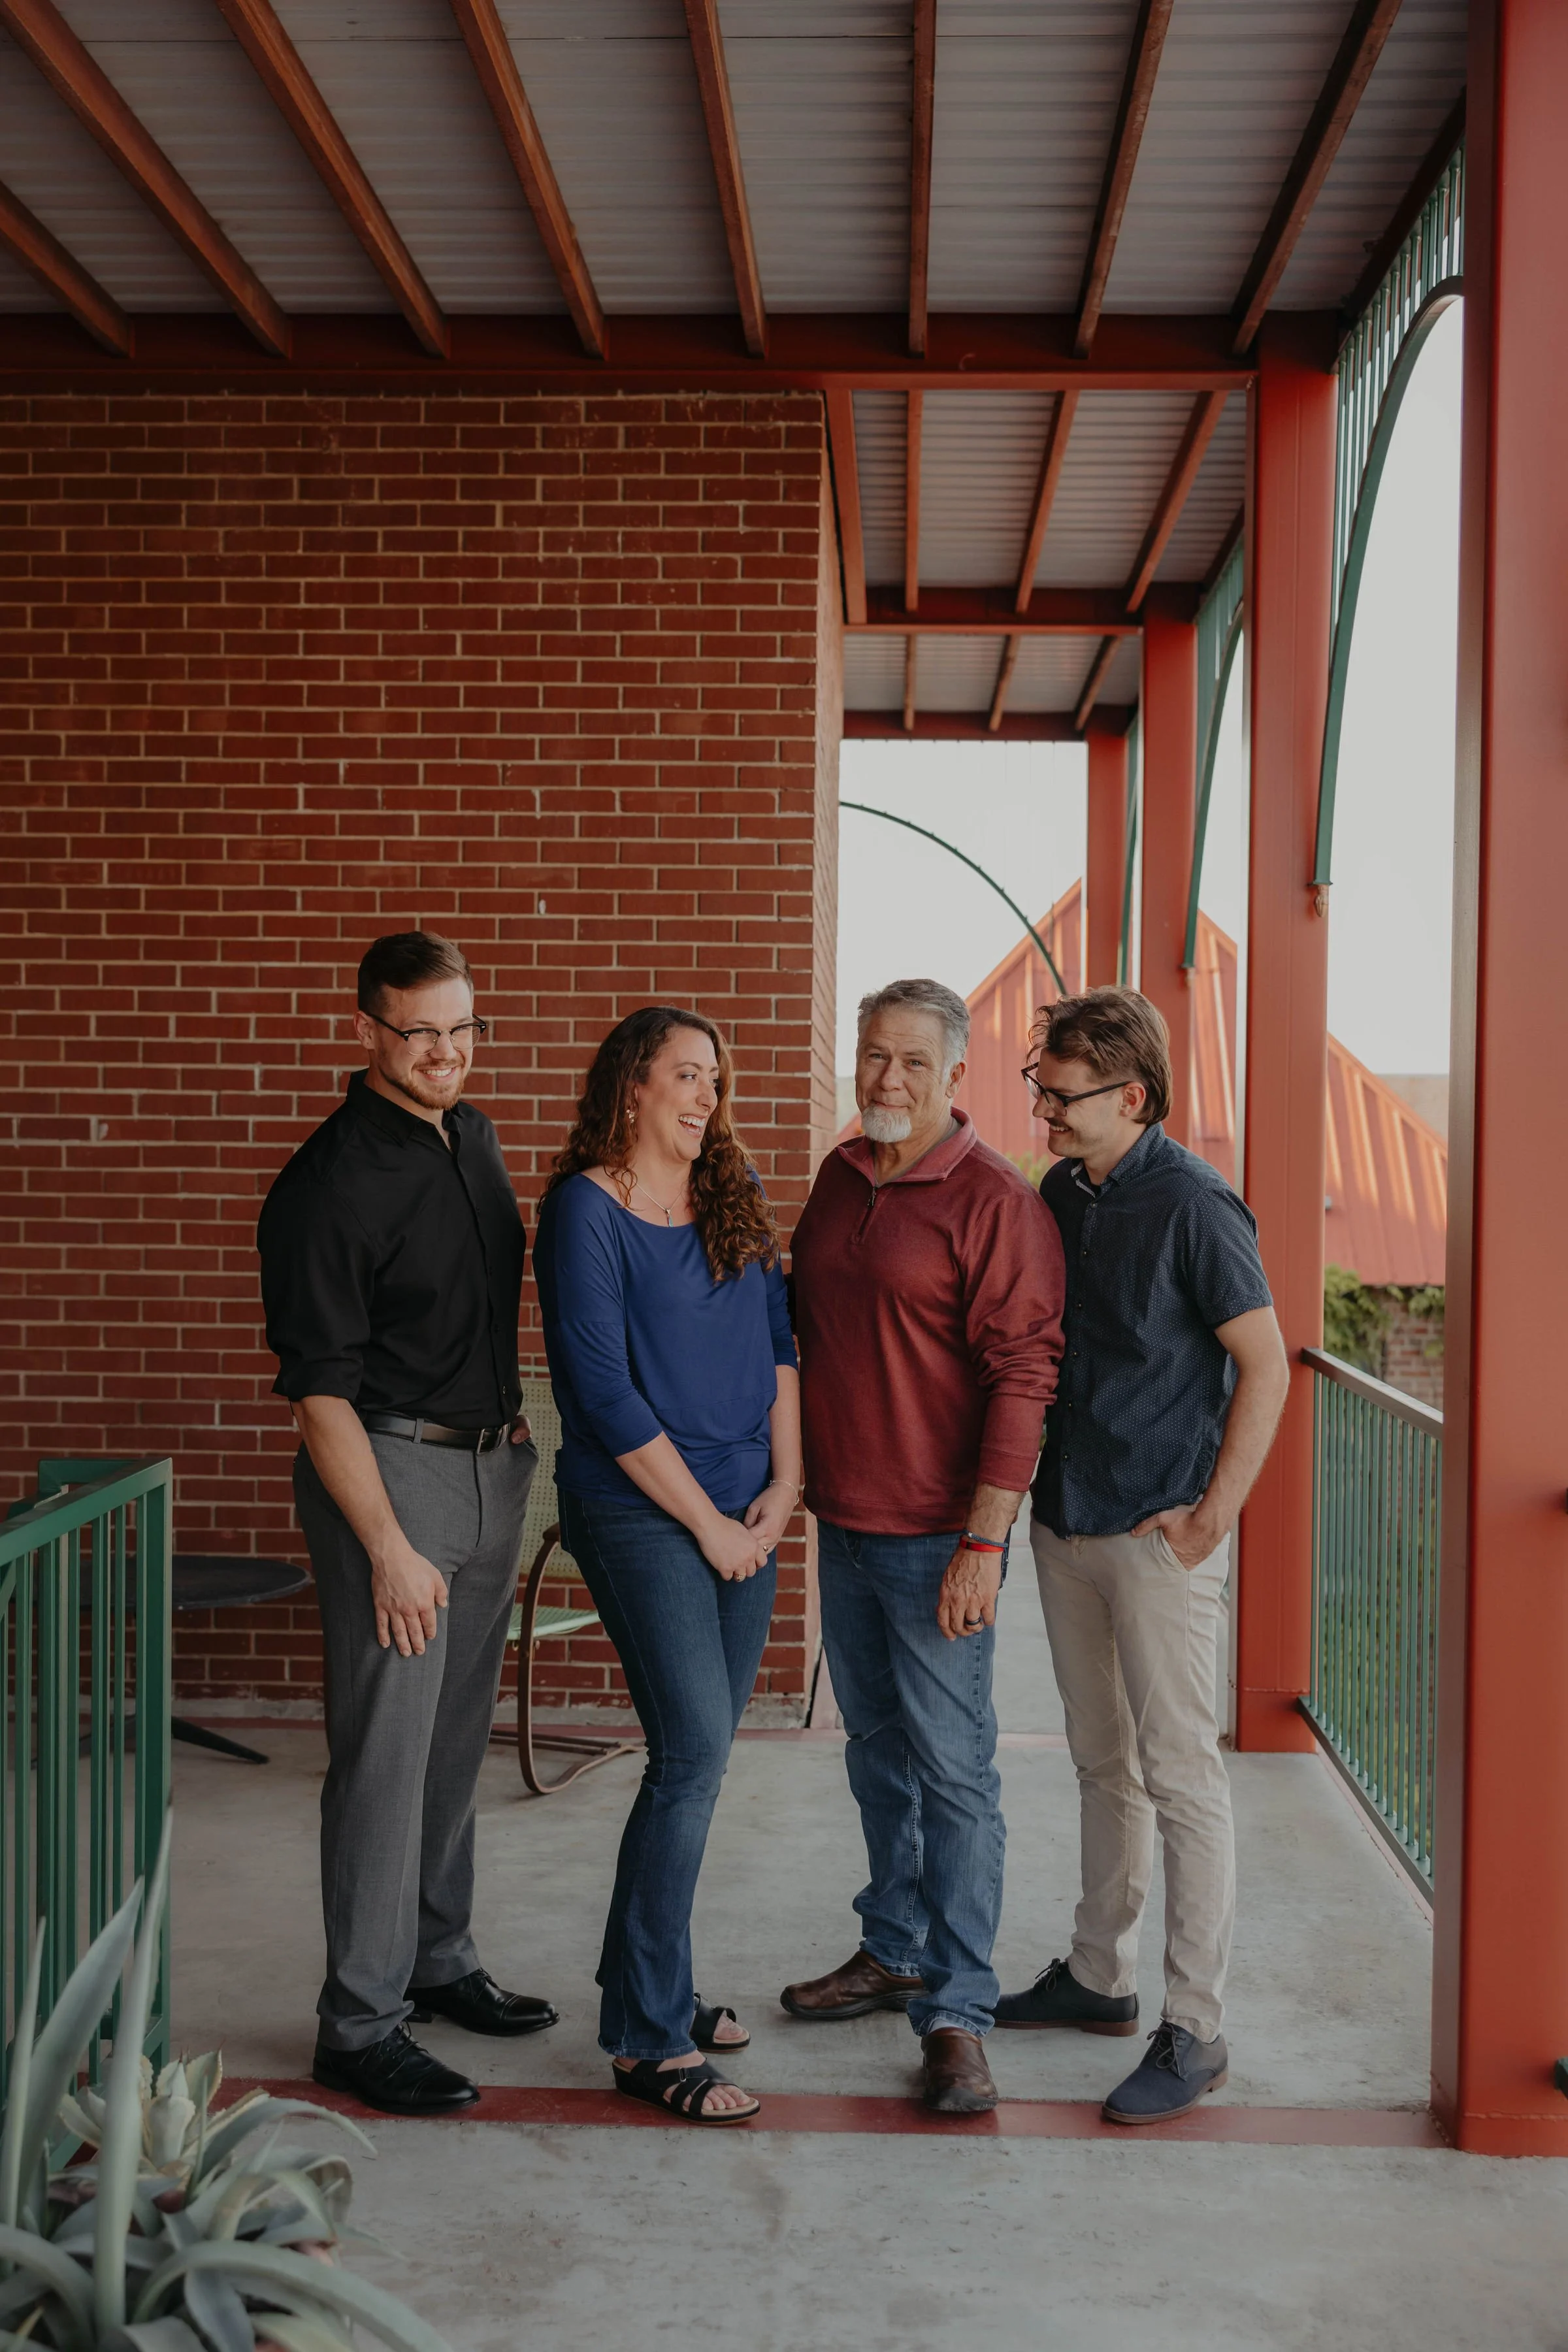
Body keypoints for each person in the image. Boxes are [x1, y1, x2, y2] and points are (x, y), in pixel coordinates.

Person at [257, 930, 555, 2118]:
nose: (446, 1052)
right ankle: (359, 2023)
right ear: (368, 1031)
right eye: (421, 1031)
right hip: (388, 1477)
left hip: (488, 1467)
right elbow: (320, 1393)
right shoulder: (326, 1184)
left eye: (463, 1027)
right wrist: (387, 1544)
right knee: (384, 1758)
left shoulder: (470, 1136)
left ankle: (439, 1959)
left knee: (449, 1742)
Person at [995, 986, 1289, 2124]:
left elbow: (1262, 1365)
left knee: (1181, 1778)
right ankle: (1100, 1977)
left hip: (1160, 1534)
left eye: (1062, 1097)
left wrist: (1212, 1517)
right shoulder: (1064, 1191)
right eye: (1041, 1091)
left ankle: (1196, 2027)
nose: (1045, 1115)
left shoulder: (1200, 1205)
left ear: (1134, 1095)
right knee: (1100, 1761)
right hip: (1068, 1522)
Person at [784, 979, 1065, 2114]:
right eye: (872, 1057)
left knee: (956, 1776)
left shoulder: (996, 1201)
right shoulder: (842, 1172)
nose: (885, 1081)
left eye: (910, 1062)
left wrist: (983, 1545)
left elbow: (1024, 1378)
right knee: (876, 1758)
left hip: (939, 1539)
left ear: (956, 1077)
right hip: (844, 1530)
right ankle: (893, 1944)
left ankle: (957, 2011)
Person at [532, 1006, 801, 2128]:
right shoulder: (582, 1211)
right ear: (632, 1086)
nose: (707, 1096)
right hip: (643, 1509)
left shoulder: (728, 1191)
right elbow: (602, 1395)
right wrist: (710, 1526)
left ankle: (652, 1985)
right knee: (689, 1753)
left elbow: (783, 1347)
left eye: (716, 1079)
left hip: (750, 1504)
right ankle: (647, 2039)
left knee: (702, 1758)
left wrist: (786, 1490)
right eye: (686, 1075)